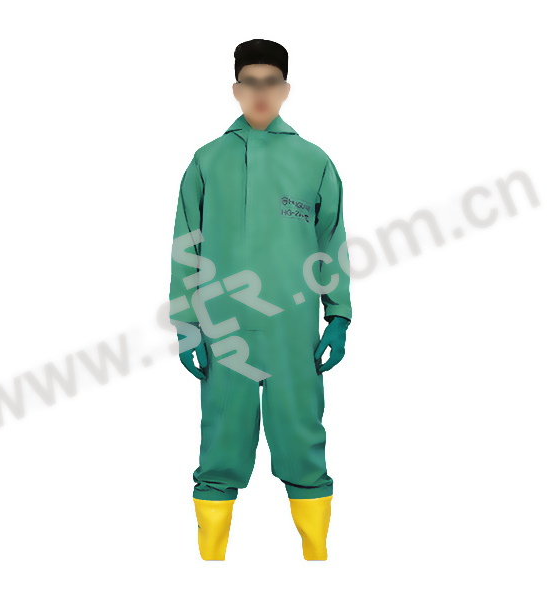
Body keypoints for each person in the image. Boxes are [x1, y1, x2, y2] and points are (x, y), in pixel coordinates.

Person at [168, 39, 352, 561]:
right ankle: (210, 563)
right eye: (250, 82)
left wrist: (338, 316)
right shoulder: (207, 161)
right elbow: (186, 245)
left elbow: (332, 242)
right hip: (224, 333)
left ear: (286, 89)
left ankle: (317, 558)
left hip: (293, 333)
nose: (260, 92)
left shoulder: (313, 161)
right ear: (236, 89)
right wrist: (186, 324)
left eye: (271, 82)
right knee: (220, 448)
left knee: (303, 443)